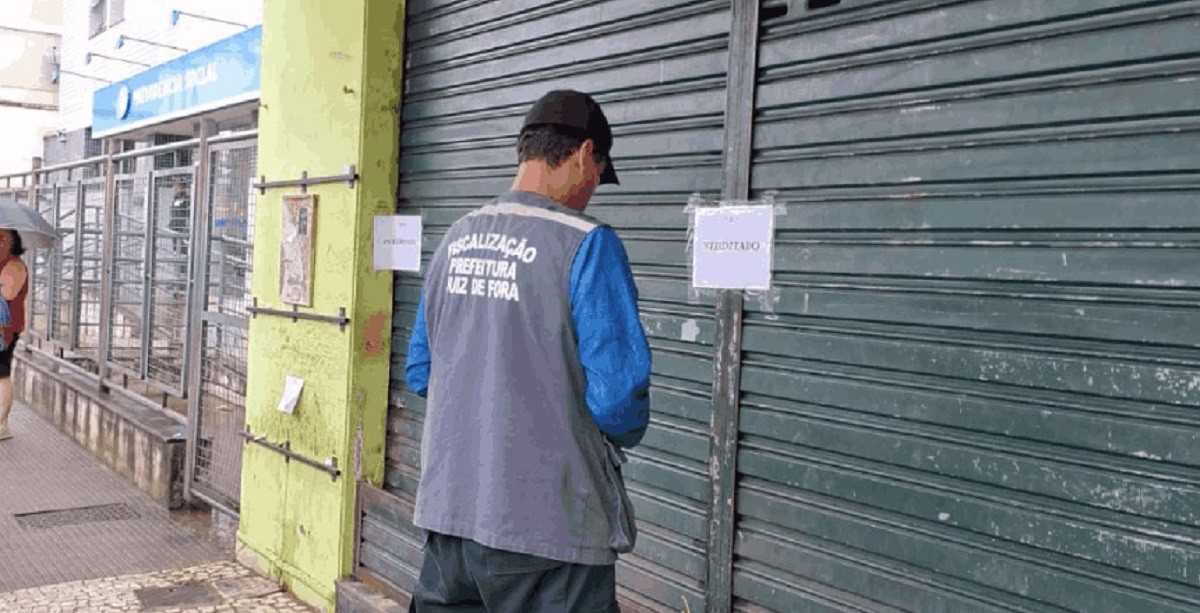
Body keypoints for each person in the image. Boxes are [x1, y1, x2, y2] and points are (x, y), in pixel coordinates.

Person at [404, 90, 652, 612]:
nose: (591, 192)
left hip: (451, 522)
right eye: (597, 173)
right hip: (553, 534)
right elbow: (619, 401)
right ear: (586, 154)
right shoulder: (587, 243)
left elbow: (422, 371)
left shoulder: (455, 238)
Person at [0, 229, 29, 441]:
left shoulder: (15, 265)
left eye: (2, 238)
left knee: (1, 375)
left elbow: (7, 293)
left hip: (5, 330)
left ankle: (1, 424)